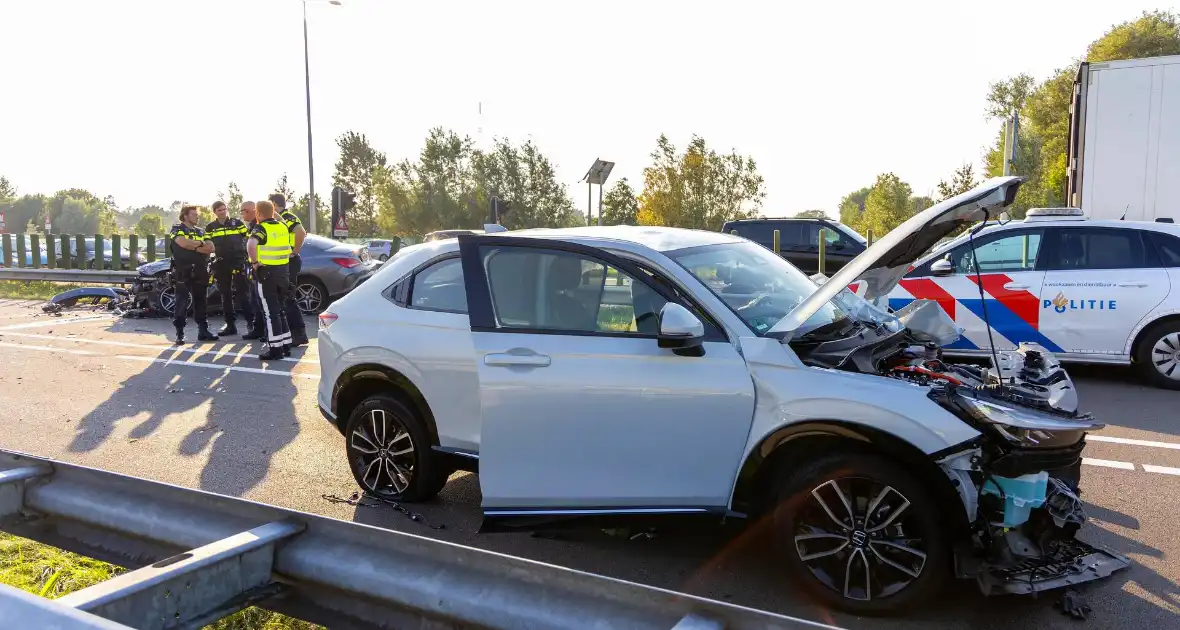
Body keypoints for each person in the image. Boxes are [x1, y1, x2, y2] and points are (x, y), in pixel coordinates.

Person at [247, 200, 292, 360]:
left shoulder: (261, 228)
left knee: (269, 312)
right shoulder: (283, 226)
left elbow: (251, 244)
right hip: (283, 273)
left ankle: (275, 349)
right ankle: (286, 345)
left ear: (258, 214)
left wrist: (255, 264)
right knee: (280, 310)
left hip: (267, 275)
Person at [168, 205, 219, 345]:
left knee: (201, 302)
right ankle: (180, 334)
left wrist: (194, 245)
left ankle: (203, 331)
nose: (197, 216)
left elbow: (211, 247)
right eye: (194, 214)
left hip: (200, 270)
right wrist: (200, 246)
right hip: (183, 271)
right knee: (182, 302)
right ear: (185, 216)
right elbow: (182, 243)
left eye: (197, 214)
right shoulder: (177, 229)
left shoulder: (202, 231)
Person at [205, 200, 255, 336]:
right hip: (221, 264)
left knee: (243, 294)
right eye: (219, 210)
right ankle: (230, 325)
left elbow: (248, 239)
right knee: (225, 295)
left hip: (238, 262)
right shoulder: (210, 227)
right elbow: (208, 244)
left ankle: (251, 324)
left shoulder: (237, 223)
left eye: (224, 209)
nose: (222, 212)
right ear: (214, 212)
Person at [269, 193, 309, 347]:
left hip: (289, 262)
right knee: (284, 298)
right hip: (283, 262)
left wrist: (294, 251)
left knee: (288, 297)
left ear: (274, 203)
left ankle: (299, 334)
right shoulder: (278, 219)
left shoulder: (286, 217)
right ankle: (291, 333)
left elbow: (300, 232)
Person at [238, 201, 267, 341]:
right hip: (255, 268)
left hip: (261, 267)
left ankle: (265, 331)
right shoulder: (251, 225)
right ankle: (259, 329)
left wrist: (255, 263)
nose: (242, 214)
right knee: (256, 300)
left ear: (251, 211)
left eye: (243, 211)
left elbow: (253, 246)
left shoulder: (259, 225)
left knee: (262, 301)